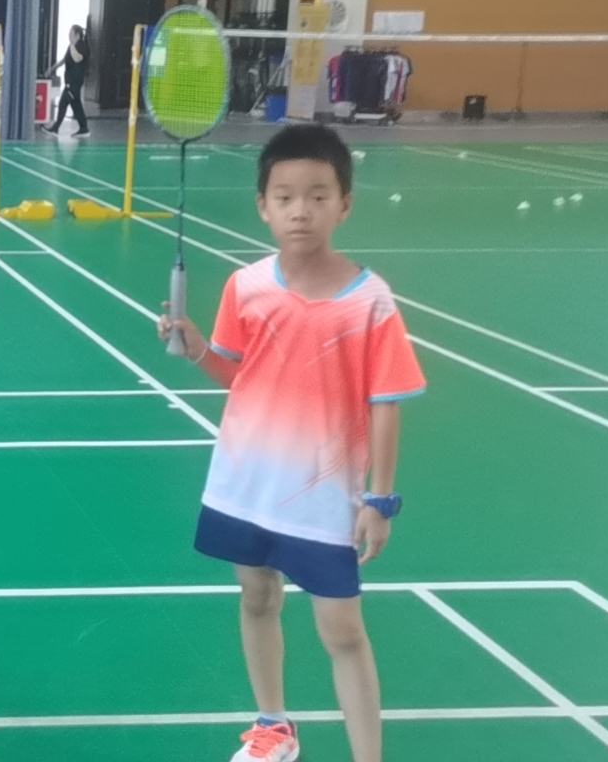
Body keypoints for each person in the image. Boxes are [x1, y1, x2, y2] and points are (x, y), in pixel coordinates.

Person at [157, 124, 425, 762]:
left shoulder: (371, 302)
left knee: (342, 631)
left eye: (317, 195)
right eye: (284, 197)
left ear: (344, 204)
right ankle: (273, 728)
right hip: (247, 479)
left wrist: (379, 499)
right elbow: (235, 373)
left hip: (325, 494)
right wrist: (196, 348)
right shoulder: (246, 286)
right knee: (256, 596)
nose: (300, 210)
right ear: (263, 206)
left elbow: (386, 403)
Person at [39, 24, 91, 137]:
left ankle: (55, 128)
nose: (69, 36)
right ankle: (84, 128)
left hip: (74, 82)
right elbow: (64, 59)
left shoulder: (82, 46)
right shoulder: (71, 46)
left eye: (71, 34)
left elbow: (78, 58)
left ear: (77, 35)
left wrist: (72, 45)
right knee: (76, 105)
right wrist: (52, 69)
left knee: (63, 103)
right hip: (70, 80)